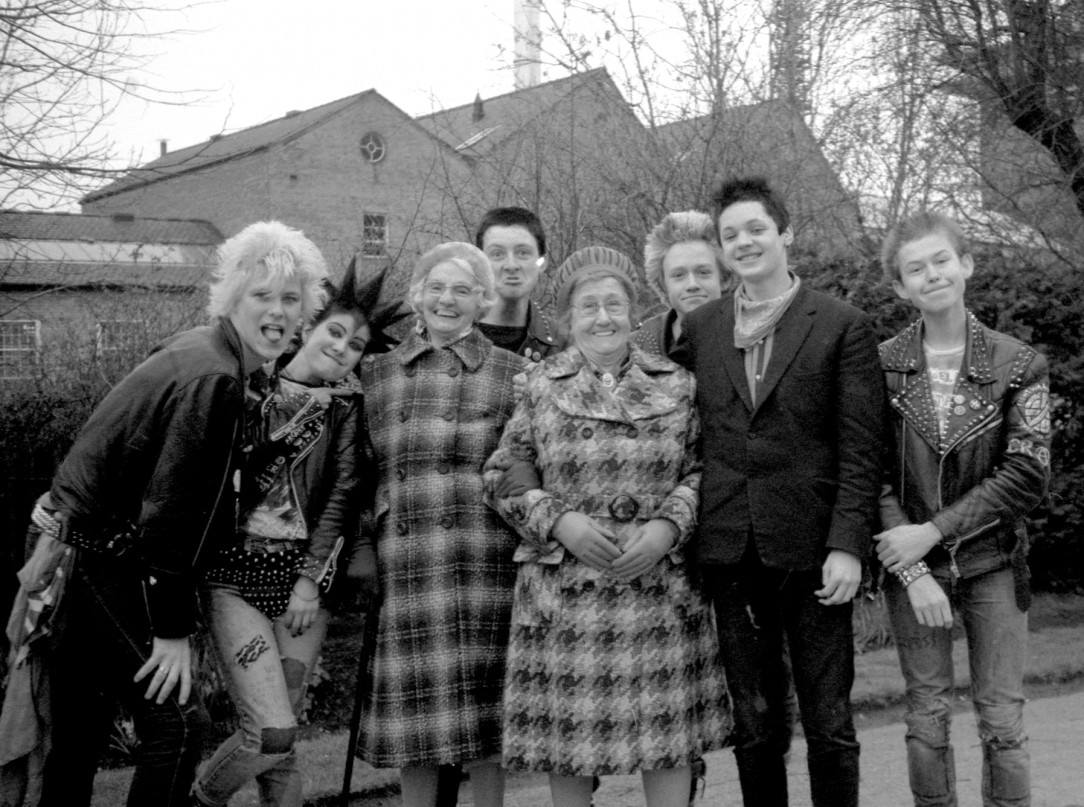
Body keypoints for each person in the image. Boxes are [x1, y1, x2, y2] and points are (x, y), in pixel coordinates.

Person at [37, 221, 330, 807]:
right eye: (262, 295)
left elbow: (182, 467)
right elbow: (173, 513)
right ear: (233, 297)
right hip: (103, 560)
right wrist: (171, 631)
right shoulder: (216, 376)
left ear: (305, 311)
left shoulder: (208, 352)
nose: (278, 311)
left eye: (291, 299)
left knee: (83, 726)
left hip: (77, 552)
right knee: (178, 724)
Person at [484, 246, 730, 807]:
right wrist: (559, 521)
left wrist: (669, 527)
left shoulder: (679, 384)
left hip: (658, 590)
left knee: (666, 740)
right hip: (567, 591)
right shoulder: (538, 384)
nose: (602, 318)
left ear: (633, 313)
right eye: (588, 307)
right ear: (568, 320)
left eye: (614, 305)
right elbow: (503, 471)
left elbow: (705, 470)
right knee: (568, 740)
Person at [675, 176, 883, 807]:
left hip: (815, 554)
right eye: (730, 234)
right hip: (732, 553)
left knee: (828, 725)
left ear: (785, 235)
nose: (744, 242)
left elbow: (861, 448)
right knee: (755, 726)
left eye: (755, 229)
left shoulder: (841, 325)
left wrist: (848, 544)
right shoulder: (701, 328)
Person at [190, 263, 402, 807]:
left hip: (300, 587)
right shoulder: (247, 385)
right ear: (309, 327)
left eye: (355, 346)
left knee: (283, 738)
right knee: (272, 730)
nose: (342, 348)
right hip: (233, 578)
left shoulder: (347, 412)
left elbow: (340, 501)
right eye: (335, 331)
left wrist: (309, 582)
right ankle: (200, 798)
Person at [875, 211, 1050, 807]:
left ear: (966, 263)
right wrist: (915, 567)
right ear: (900, 287)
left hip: (994, 564)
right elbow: (869, 477)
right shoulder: (881, 367)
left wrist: (933, 532)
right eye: (915, 268)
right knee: (927, 716)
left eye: (941, 260)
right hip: (912, 574)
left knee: (1002, 722)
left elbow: (1027, 474)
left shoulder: (1020, 364)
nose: (932, 275)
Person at [355, 242, 523, 807]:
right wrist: (360, 544)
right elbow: (354, 473)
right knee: (416, 719)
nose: (447, 299)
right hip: (409, 561)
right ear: (416, 295)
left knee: (487, 717)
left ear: (483, 299)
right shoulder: (375, 374)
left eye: (462, 289)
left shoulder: (518, 374)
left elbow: (530, 468)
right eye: (436, 287)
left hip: (486, 558)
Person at [475, 206, 563, 361]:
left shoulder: (563, 344)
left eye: (523, 253)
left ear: (542, 263)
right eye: (497, 254)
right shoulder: (447, 336)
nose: (511, 265)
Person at [634, 210, 728, 356]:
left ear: (722, 277)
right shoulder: (644, 345)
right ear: (663, 284)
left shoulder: (749, 336)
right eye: (679, 275)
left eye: (703, 272)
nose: (692, 285)